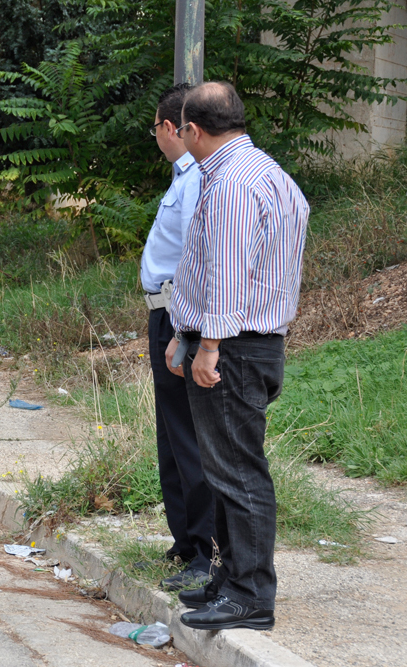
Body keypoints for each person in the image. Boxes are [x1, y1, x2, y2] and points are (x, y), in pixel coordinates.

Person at [166, 82, 309, 630]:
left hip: (234, 347)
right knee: (228, 470)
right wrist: (188, 330)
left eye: (180, 130)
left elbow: (226, 274)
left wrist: (208, 345)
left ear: (193, 131)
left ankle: (250, 595)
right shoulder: (268, 173)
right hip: (250, 343)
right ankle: (232, 581)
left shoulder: (230, 185)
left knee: (239, 473)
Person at [140, 83, 216, 592]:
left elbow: (197, 255)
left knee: (189, 435)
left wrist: (188, 332)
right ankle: (185, 540)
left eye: (157, 130)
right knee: (171, 433)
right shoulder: (181, 177)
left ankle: (204, 551)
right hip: (165, 314)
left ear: (173, 128)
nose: (159, 139)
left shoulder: (195, 181)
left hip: (179, 316)